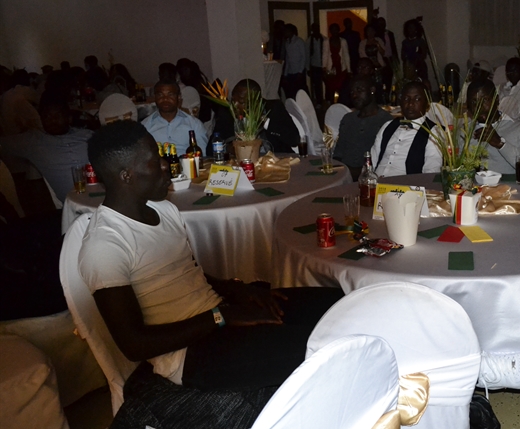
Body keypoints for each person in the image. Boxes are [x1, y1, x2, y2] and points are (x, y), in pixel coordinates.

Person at [78, 120, 343, 392]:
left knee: (340, 305)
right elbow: (135, 345)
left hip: (215, 313)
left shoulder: (164, 210)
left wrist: (237, 289)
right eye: (154, 161)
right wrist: (220, 316)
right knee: (326, 346)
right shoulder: (104, 245)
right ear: (126, 176)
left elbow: (187, 272)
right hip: (189, 354)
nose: (166, 166)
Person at [0, 96, 92, 202]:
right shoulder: (33, 141)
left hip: (100, 194)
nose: (52, 120)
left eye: (58, 115)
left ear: (69, 118)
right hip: (74, 204)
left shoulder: (86, 135)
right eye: (47, 116)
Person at [467, 79, 520, 176]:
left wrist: (500, 143)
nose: (479, 107)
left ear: (496, 100)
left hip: (508, 185)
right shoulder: (464, 131)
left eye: (485, 100)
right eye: (474, 102)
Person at [207, 79, 299, 156]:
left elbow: (294, 139)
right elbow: (209, 150)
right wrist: (227, 149)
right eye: (233, 100)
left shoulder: (274, 108)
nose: (235, 105)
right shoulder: (226, 113)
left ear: (256, 102)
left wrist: (265, 122)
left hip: (276, 161)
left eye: (241, 102)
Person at [370, 81, 442, 177]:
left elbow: (431, 172)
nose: (410, 104)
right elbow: (372, 160)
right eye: (406, 98)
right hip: (375, 182)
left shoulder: (433, 132)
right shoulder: (388, 126)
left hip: (406, 184)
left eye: (417, 99)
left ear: (427, 104)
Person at [333, 75, 393, 179]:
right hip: (344, 176)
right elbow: (338, 153)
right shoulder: (348, 119)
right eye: (352, 92)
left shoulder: (385, 121)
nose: (354, 95)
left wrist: (356, 172)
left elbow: (386, 161)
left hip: (372, 178)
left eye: (359, 90)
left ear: (372, 90)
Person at [140, 80, 207, 155]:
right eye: (160, 95)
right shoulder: (145, 126)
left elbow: (202, 154)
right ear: (155, 98)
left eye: (170, 95)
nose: (165, 99)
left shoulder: (194, 125)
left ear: (179, 97)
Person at [0, 70, 42, 136]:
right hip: (23, 132)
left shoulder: (6, 94)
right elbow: (39, 100)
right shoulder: (24, 90)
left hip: (8, 131)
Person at [322, 23, 350, 105]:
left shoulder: (343, 41)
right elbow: (324, 55)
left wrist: (349, 70)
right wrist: (324, 68)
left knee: (341, 89)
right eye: (332, 30)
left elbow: (346, 55)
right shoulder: (326, 42)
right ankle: (332, 104)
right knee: (331, 89)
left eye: (336, 29)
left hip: (341, 68)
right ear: (330, 31)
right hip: (331, 69)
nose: (334, 31)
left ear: (338, 30)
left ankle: (340, 105)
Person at [281, 24, 307, 100]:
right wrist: (285, 73)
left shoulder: (299, 41)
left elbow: (303, 57)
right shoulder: (287, 42)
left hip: (298, 70)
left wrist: (300, 71)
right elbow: (288, 58)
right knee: (290, 91)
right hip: (290, 71)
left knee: (300, 91)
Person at [306, 22, 326, 108]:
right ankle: (319, 101)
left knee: (327, 84)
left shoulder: (324, 39)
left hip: (324, 66)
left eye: (317, 28)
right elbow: (307, 54)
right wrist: (308, 68)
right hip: (314, 66)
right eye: (314, 29)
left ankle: (327, 100)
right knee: (317, 85)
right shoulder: (309, 40)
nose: (315, 30)